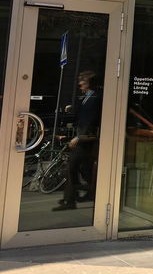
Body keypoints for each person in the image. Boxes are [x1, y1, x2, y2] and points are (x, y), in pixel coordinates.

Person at [53, 70, 101, 211]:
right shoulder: (87, 97)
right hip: (85, 136)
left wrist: (77, 137)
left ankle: (70, 200)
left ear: (90, 84)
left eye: (83, 81)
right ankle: (91, 193)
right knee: (84, 168)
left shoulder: (95, 98)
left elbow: (90, 121)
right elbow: (83, 117)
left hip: (87, 138)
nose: (80, 84)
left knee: (72, 166)